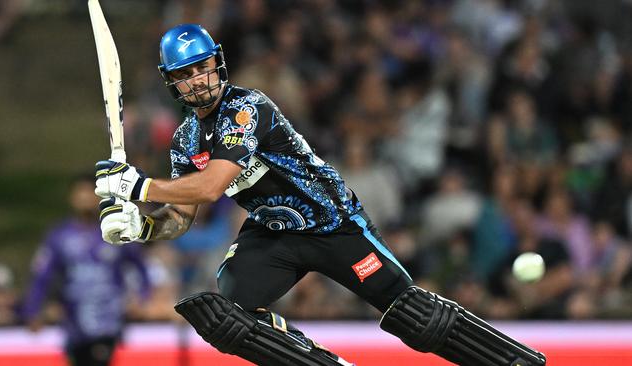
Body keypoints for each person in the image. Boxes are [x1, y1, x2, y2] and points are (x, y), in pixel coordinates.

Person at [94, 24, 546, 365]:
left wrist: (138, 186)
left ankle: (514, 362)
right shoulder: (186, 140)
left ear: (217, 63)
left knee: (414, 317)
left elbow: (212, 185)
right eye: (184, 74)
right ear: (171, 82)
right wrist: (144, 225)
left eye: (201, 67)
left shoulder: (246, 108)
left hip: (333, 223)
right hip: (273, 234)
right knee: (229, 312)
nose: (197, 80)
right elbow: (183, 212)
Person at [24, 176, 151, 366]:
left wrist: (142, 298)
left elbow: (141, 267)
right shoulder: (59, 236)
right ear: (72, 198)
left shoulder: (116, 230)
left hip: (109, 320)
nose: (84, 198)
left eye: (89, 193)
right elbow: (42, 276)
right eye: (79, 193)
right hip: (74, 322)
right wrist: (33, 310)